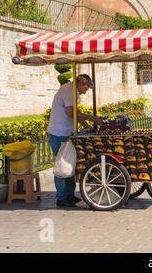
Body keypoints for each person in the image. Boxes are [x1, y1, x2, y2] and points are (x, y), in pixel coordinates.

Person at [48, 74, 103, 208]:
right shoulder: (68, 90)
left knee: (70, 164)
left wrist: (88, 127)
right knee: (62, 165)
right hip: (59, 133)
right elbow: (71, 113)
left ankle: (69, 195)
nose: (85, 91)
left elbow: (76, 113)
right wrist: (92, 118)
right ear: (79, 82)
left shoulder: (73, 92)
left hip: (67, 133)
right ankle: (62, 197)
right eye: (86, 87)